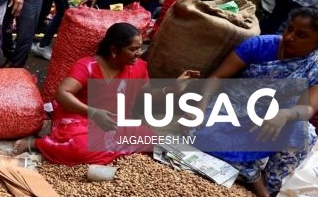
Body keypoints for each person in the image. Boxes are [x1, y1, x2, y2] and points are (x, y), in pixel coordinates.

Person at [14, 22, 198, 163]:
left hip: (112, 120)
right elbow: (63, 94)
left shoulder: (139, 67)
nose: (139, 53)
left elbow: (147, 95)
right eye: (133, 49)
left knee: (150, 139)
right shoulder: (88, 66)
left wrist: (172, 89)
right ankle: (36, 144)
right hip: (80, 116)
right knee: (80, 147)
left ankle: (105, 149)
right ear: (114, 50)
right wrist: (94, 113)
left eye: (140, 48)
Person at [198, 7, 318, 197]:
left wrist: (285, 114)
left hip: (275, 117)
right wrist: (200, 106)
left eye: (301, 35)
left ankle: (272, 185)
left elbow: (310, 107)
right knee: (197, 130)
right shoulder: (259, 45)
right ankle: (252, 174)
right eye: (289, 29)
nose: (289, 37)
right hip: (235, 106)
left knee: (305, 133)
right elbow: (217, 77)